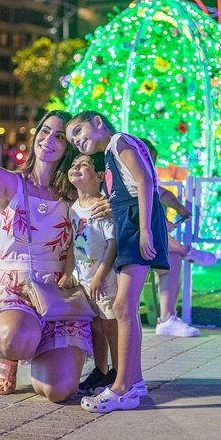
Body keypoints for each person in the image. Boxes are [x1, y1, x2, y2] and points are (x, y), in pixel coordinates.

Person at [0, 103, 105, 403]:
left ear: (68, 147)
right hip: (15, 290)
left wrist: (108, 206)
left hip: (58, 295)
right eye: (45, 131)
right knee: (15, 339)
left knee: (59, 391)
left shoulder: (74, 193)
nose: (48, 140)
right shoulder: (10, 183)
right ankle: (11, 358)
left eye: (59, 136)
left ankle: (43, 353)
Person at [67, 110, 169, 412]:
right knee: (125, 308)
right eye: (72, 140)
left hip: (136, 226)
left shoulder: (120, 141)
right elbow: (130, 189)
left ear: (98, 122)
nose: (77, 141)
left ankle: (122, 386)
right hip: (129, 225)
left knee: (123, 306)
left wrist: (144, 229)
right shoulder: (111, 153)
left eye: (79, 131)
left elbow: (145, 180)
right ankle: (133, 382)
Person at [140, 138, 216, 337]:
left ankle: (167, 319)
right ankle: (186, 251)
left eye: (152, 162)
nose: (149, 166)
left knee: (171, 259)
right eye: (146, 160)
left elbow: (163, 194)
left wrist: (180, 208)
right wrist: (158, 222)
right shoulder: (119, 180)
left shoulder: (146, 181)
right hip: (123, 240)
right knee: (157, 230)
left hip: (149, 241)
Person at [67, 153, 119, 394]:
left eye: (83, 165)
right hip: (85, 281)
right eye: (73, 164)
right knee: (96, 327)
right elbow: (71, 244)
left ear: (99, 176)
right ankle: (100, 369)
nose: (76, 167)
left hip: (105, 282)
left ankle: (118, 371)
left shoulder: (101, 207)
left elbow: (112, 244)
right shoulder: (73, 209)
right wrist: (68, 272)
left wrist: (100, 275)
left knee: (110, 327)